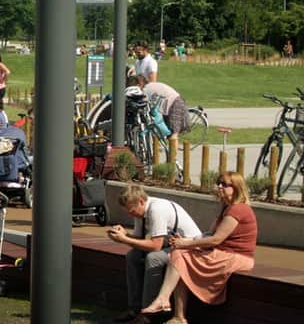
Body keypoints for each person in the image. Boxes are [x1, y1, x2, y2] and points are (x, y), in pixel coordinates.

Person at [140, 172, 257, 323]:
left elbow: (216, 239)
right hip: (223, 253)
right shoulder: (227, 208)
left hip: (236, 258)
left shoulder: (238, 210)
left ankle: (167, 304)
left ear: (235, 188)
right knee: (179, 258)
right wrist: (186, 240)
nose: (219, 186)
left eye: (224, 184)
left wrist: (185, 244)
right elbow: (209, 234)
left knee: (179, 255)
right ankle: (177, 315)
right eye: (218, 183)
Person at [108, 184, 202, 324]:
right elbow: (141, 241)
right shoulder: (141, 211)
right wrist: (124, 234)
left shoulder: (156, 209)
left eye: (132, 211)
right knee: (132, 256)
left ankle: (148, 314)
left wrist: (124, 239)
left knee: (154, 258)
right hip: (171, 245)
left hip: (189, 247)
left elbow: (155, 246)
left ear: (141, 201)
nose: (130, 214)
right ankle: (134, 308)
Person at [128, 75, 189, 141]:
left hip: (174, 103)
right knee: (169, 133)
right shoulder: (149, 86)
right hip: (174, 102)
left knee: (174, 135)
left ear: (138, 85)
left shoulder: (146, 90)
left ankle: (173, 151)